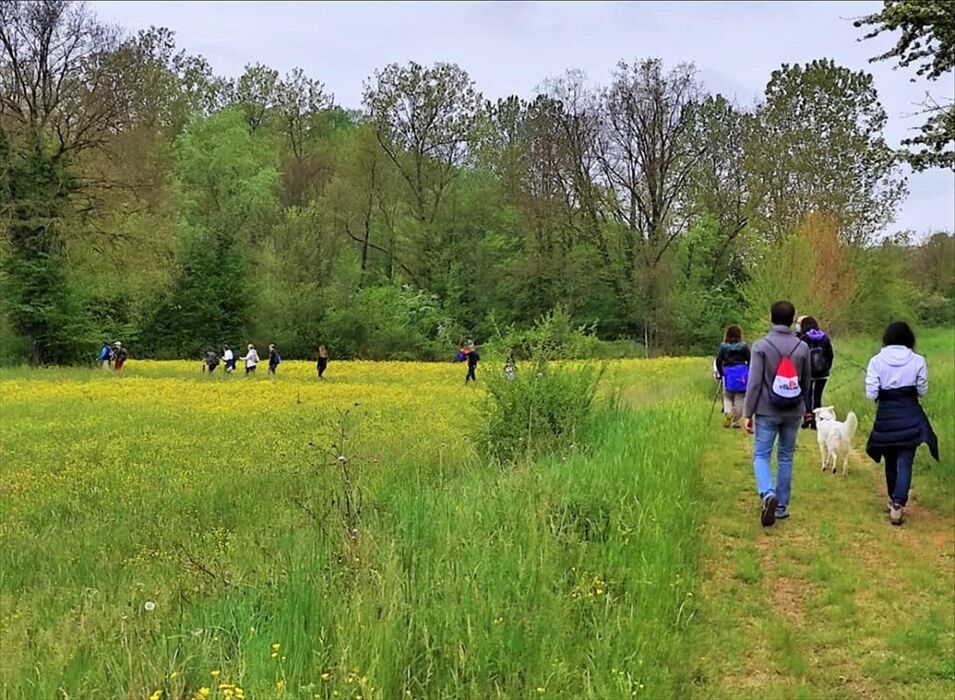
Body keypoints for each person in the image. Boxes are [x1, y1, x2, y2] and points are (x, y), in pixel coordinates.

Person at [743, 301, 811, 526]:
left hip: (766, 409)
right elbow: (807, 382)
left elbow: (754, 383)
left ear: (771, 317)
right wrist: (804, 407)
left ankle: (767, 493)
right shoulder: (802, 348)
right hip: (793, 410)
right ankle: (780, 506)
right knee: (785, 456)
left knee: (761, 454)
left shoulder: (761, 346)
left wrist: (748, 413)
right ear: (793, 320)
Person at [864, 321, 938, 526]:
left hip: (887, 415)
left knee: (889, 457)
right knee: (906, 459)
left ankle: (892, 498)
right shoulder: (918, 360)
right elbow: (922, 390)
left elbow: (871, 393)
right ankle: (898, 503)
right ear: (909, 339)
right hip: (910, 413)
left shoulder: (876, 361)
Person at [797, 316, 834, 429]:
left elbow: (799, 356)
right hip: (822, 373)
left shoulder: (802, 339)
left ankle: (808, 415)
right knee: (817, 395)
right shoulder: (825, 338)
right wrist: (827, 367)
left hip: (807, 372)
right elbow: (830, 355)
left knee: (806, 394)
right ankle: (816, 420)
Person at [715, 325, 751, 429]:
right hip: (741, 372)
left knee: (727, 395)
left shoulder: (723, 346)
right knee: (740, 396)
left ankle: (728, 412)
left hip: (728, 372)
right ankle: (736, 420)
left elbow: (718, 360)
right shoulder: (744, 346)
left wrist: (721, 373)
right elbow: (750, 360)